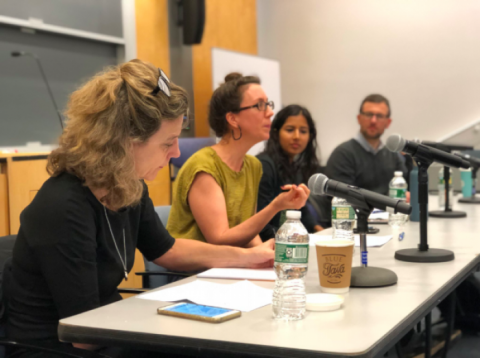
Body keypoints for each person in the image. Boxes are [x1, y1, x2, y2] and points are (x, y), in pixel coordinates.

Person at [5, 60, 275, 358]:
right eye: (168, 143)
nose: (174, 154)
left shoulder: (127, 186)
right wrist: (167, 320)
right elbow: (82, 334)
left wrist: (249, 258)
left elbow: (168, 251)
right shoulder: (64, 207)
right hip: (54, 349)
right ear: (123, 143)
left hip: (106, 334)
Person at [167, 73, 310, 247]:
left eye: (268, 104)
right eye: (260, 105)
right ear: (233, 119)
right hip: (196, 271)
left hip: (232, 265)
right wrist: (275, 206)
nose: (271, 112)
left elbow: (246, 231)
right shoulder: (204, 167)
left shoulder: (253, 166)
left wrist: (264, 252)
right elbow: (219, 239)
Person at [318, 94, 407, 226]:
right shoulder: (343, 154)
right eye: (368, 114)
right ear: (359, 119)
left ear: (388, 122)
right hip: (352, 227)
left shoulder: (393, 155)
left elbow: (404, 191)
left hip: (389, 225)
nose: (373, 120)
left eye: (379, 116)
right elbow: (345, 201)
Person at [257, 104, 323, 241]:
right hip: (268, 244)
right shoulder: (264, 166)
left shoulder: (296, 166)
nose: (297, 137)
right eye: (290, 130)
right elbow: (259, 222)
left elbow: (300, 209)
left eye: (303, 131)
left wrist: (319, 230)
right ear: (276, 132)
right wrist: (291, 239)